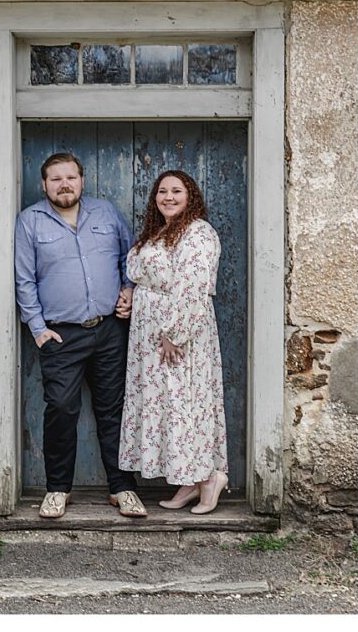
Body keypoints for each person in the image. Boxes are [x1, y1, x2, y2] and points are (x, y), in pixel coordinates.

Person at [14, 153, 146, 518]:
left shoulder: (104, 213)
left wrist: (129, 289)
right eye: (56, 179)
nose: (64, 184)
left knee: (113, 410)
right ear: (44, 185)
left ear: (82, 180)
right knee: (61, 409)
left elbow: (130, 257)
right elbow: (24, 279)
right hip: (60, 336)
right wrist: (38, 330)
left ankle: (122, 488)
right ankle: (58, 488)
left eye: (70, 177)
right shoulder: (30, 221)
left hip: (108, 331)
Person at [118, 170, 228, 514]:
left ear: (189, 195)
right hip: (148, 336)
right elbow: (150, 276)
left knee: (187, 401)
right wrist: (132, 295)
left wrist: (174, 333)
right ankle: (188, 479)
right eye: (162, 191)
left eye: (176, 191)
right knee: (168, 403)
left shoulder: (198, 233)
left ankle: (210, 477)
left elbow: (193, 288)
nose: (168, 196)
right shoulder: (160, 232)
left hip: (178, 335)